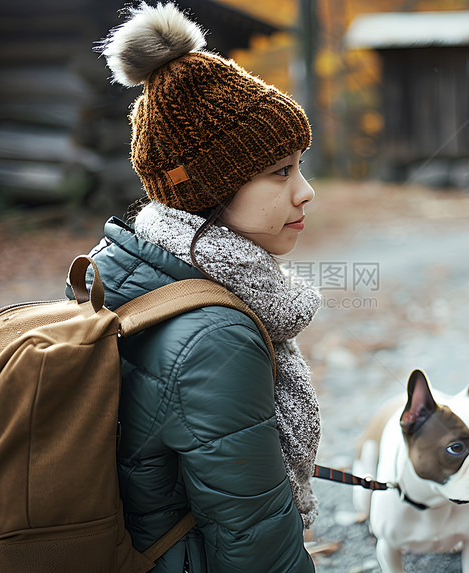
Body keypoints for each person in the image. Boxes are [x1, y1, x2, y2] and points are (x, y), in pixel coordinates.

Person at [78, 3, 322, 572]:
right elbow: (254, 538)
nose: (306, 192)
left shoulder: (126, 263)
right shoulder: (217, 335)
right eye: (280, 172)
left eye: (300, 166)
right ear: (209, 191)